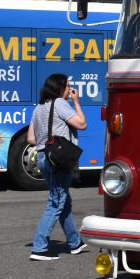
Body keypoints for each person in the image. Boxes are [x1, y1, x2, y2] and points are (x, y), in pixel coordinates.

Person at [27, 74, 89, 261]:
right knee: (56, 202)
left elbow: (31, 138)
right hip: (58, 159)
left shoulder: (38, 108)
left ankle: (74, 242)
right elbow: (82, 124)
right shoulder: (61, 104)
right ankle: (39, 248)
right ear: (60, 88)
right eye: (68, 86)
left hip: (42, 157)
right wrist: (76, 102)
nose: (70, 90)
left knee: (63, 201)